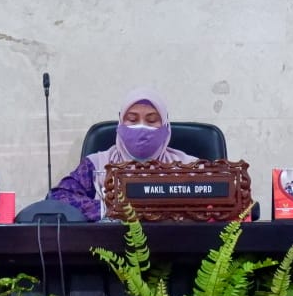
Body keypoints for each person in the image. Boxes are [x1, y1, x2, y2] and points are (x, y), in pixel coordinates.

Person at [48, 88, 198, 221]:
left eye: (151, 120)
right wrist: (108, 209)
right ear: (120, 123)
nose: (142, 127)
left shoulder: (190, 167)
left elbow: (210, 203)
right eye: (132, 120)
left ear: (165, 125)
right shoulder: (96, 165)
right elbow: (57, 199)